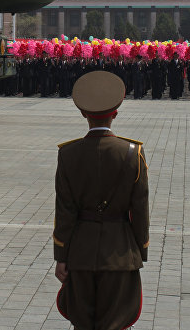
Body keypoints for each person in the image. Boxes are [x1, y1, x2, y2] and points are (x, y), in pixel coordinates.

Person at [54, 70, 149, 330]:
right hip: (120, 253)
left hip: (80, 253)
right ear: (115, 114)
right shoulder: (132, 153)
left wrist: (61, 255)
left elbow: (64, 211)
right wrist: (140, 250)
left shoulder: (68, 154)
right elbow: (140, 210)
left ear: (83, 114)